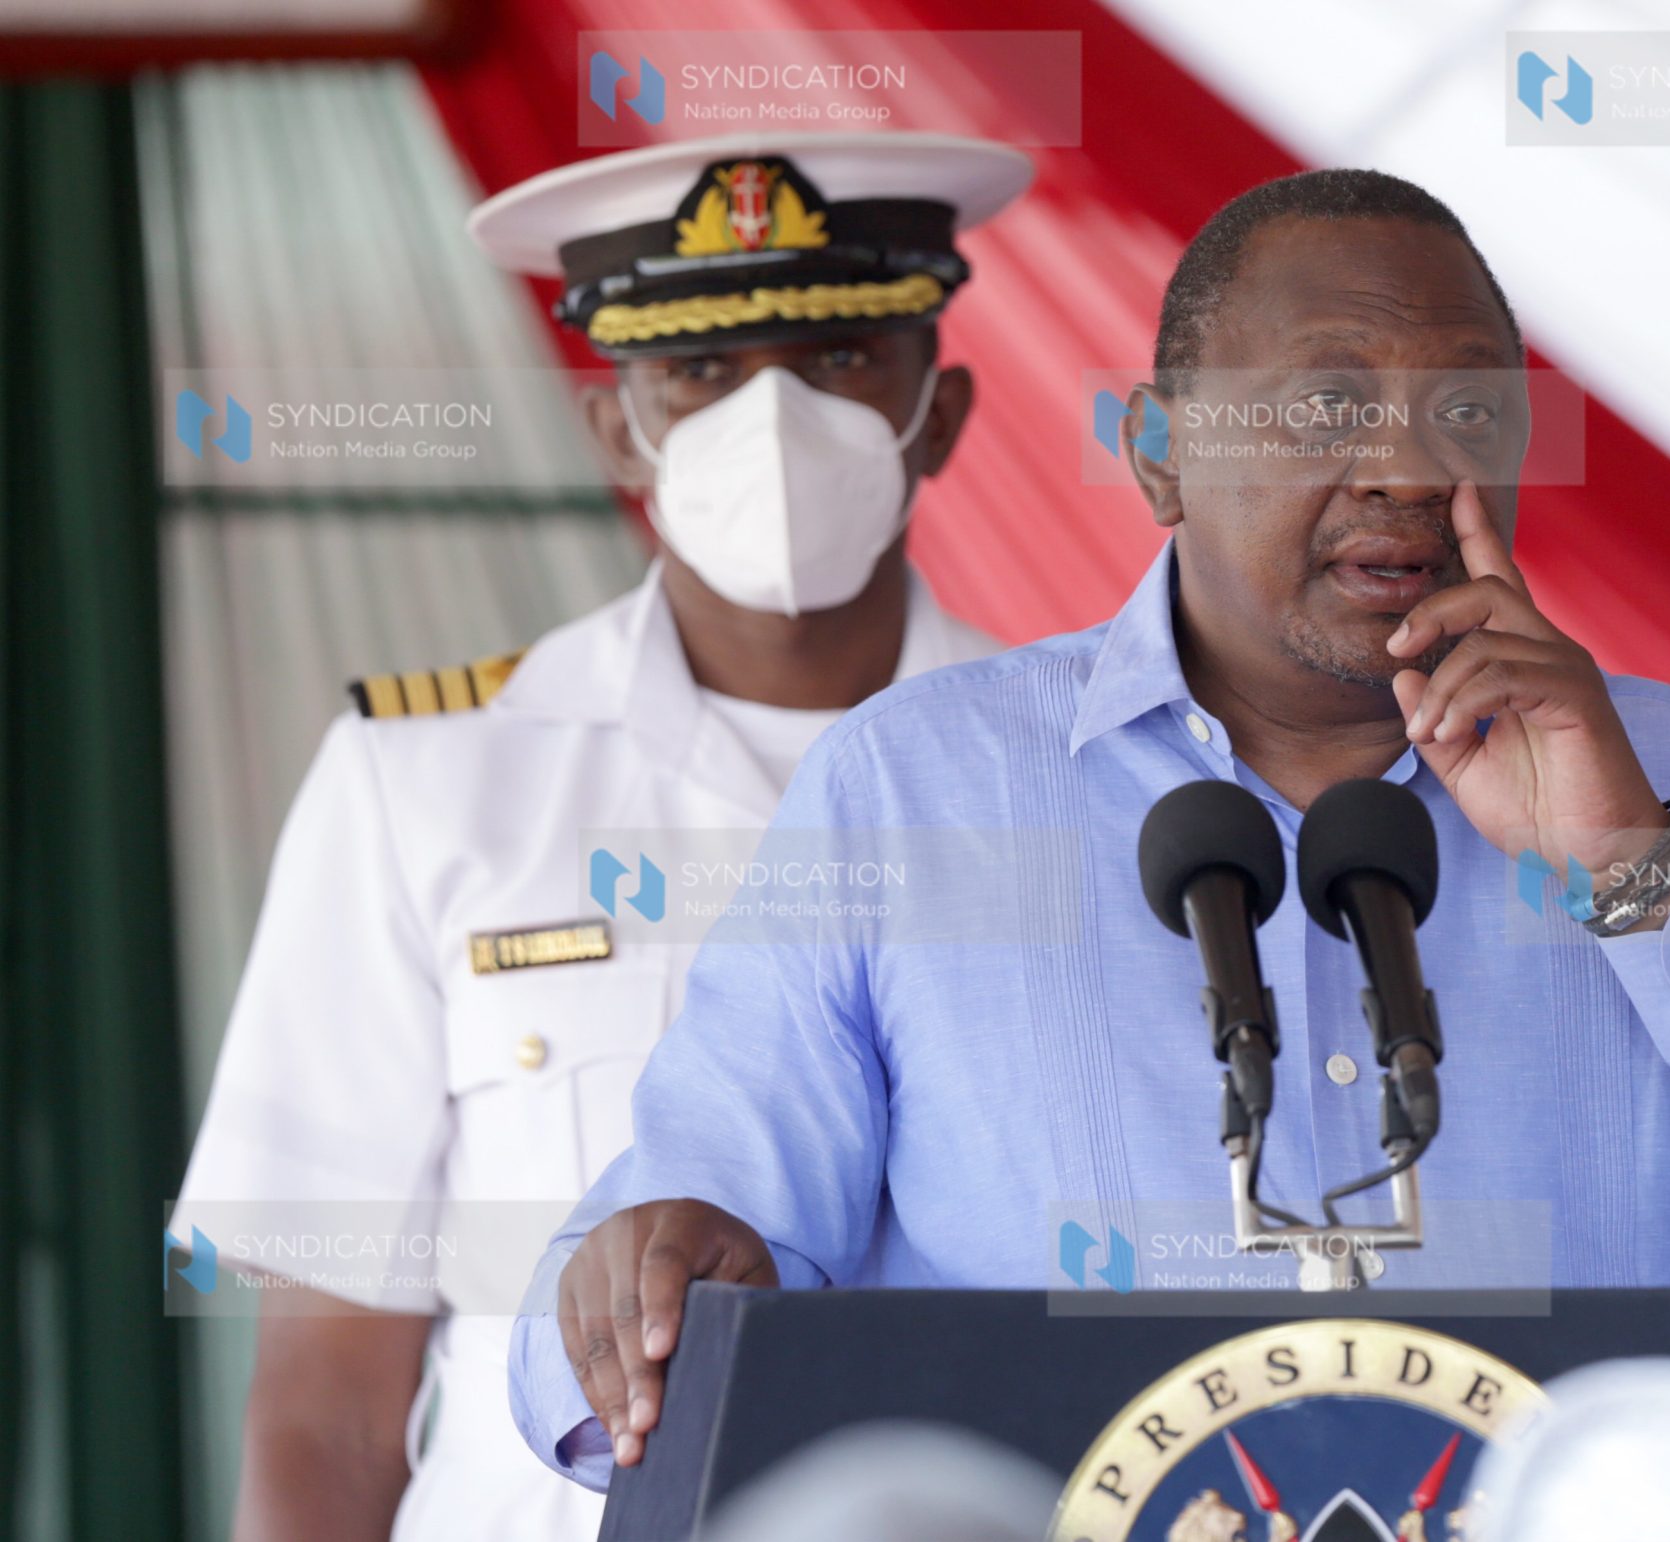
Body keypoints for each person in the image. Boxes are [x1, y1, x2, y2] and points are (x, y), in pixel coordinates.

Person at [508, 168, 1670, 1488]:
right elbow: (587, 1357)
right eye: (1330, 401)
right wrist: (658, 1281)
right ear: (1158, 449)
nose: (1409, 466)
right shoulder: (910, 792)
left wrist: (1637, 871)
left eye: (1470, 408)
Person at [167, 131, 1031, 1541]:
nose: (772, 421)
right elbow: (327, 1408)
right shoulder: (425, 781)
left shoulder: (1085, 784)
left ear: (938, 414)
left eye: (839, 358)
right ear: (617, 430)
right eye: (700, 370)